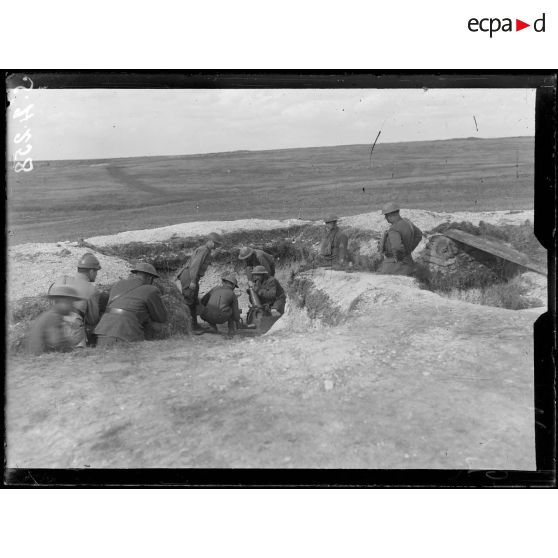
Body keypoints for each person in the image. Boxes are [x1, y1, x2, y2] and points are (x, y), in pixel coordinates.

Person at [94, 263, 167, 347]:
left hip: (102, 331)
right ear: (150, 278)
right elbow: (161, 317)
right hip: (126, 333)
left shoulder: (118, 284)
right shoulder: (151, 290)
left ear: (136, 274)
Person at [175, 232, 223, 331]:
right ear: (210, 242)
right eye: (216, 244)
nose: (217, 246)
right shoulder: (204, 250)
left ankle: (194, 325)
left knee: (193, 301)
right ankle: (190, 327)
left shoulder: (206, 250)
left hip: (191, 276)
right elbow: (195, 265)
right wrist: (193, 280)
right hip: (189, 276)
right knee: (189, 301)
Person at [55, 253, 102, 348]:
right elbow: (93, 319)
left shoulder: (61, 281)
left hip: (53, 326)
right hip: (73, 329)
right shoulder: (91, 289)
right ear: (92, 271)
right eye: (96, 271)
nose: (96, 275)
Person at [27, 284, 85, 356]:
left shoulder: (52, 316)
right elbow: (56, 343)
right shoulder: (53, 317)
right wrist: (74, 342)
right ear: (62, 302)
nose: (72, 307)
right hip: (43, 360)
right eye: (71, 303)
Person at [377, 202, 423, 276]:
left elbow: (397, 247)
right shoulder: (408, 222)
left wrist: (399, 259)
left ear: (390, 215)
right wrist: (409, 249)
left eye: (386, 215)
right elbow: (419, 235)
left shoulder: (394, 228)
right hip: (409, 263)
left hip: (394, 265)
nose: (385, 218)